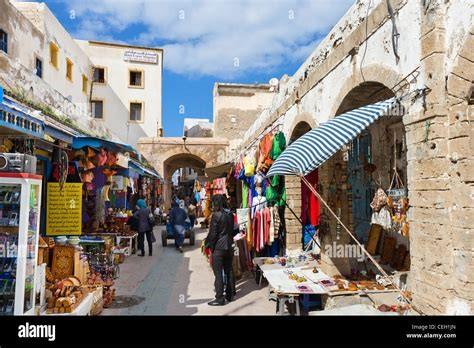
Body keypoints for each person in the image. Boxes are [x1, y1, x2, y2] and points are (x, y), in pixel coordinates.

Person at [205, 194, 235, 306]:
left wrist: (210, 247)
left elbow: (213, 234)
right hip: (229, 246)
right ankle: (230, 294)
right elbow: (232, 230)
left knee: (218, 274)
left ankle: (219, 298)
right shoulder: (230, 214)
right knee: (229, 270)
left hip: (219, 248)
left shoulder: (216, 215)